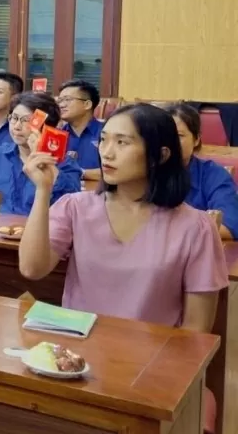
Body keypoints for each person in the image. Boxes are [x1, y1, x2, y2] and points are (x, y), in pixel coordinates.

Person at [17, 103, 227, 330]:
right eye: (103, 140)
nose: (107, 153)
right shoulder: (75, 207)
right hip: (79, 348)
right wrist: (43, 190)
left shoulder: (196, 227)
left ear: (161, 155)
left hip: (152, 351)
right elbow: (32, 269)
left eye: (122, 142)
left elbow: (196, 328)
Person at [0, 92, 83, 215]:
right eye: (14, 118)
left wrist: (45, 160)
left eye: (26, 120)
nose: (17, 126)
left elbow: (72, 204)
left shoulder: (64, 163)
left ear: (48, 128)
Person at [166, 102, 238, 240]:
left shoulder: (214, 175)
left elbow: (230, 226)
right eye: (166, 135)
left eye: (179, 135)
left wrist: (174, 232)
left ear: (196, 139)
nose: (171, 141)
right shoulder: (145, 172)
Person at [57, 79, 104, 180]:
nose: (61, 105)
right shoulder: (56, 136)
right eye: (60, 100)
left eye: (67, 99)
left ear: (87, 105)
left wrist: (80, 173)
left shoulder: (106, 133)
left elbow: (121, 171)